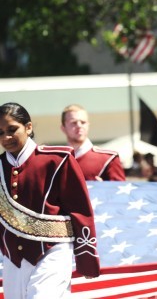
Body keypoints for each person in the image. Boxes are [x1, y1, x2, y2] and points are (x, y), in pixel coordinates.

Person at [0, 102, 100, 297]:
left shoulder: (57, 159)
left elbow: (80, 209)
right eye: (0, 132)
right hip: (13, 257)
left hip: (52, 250)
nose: (6, 137)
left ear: (28, 127)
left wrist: (86, 257)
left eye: (12, 130)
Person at [60, 104, 125, 181]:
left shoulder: (108, 158)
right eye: (74, 122)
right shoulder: (58, 160)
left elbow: (120, 191)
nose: (79, 126)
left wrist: (104, 189)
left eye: (83, 122)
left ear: (88, 125)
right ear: (63, 128)